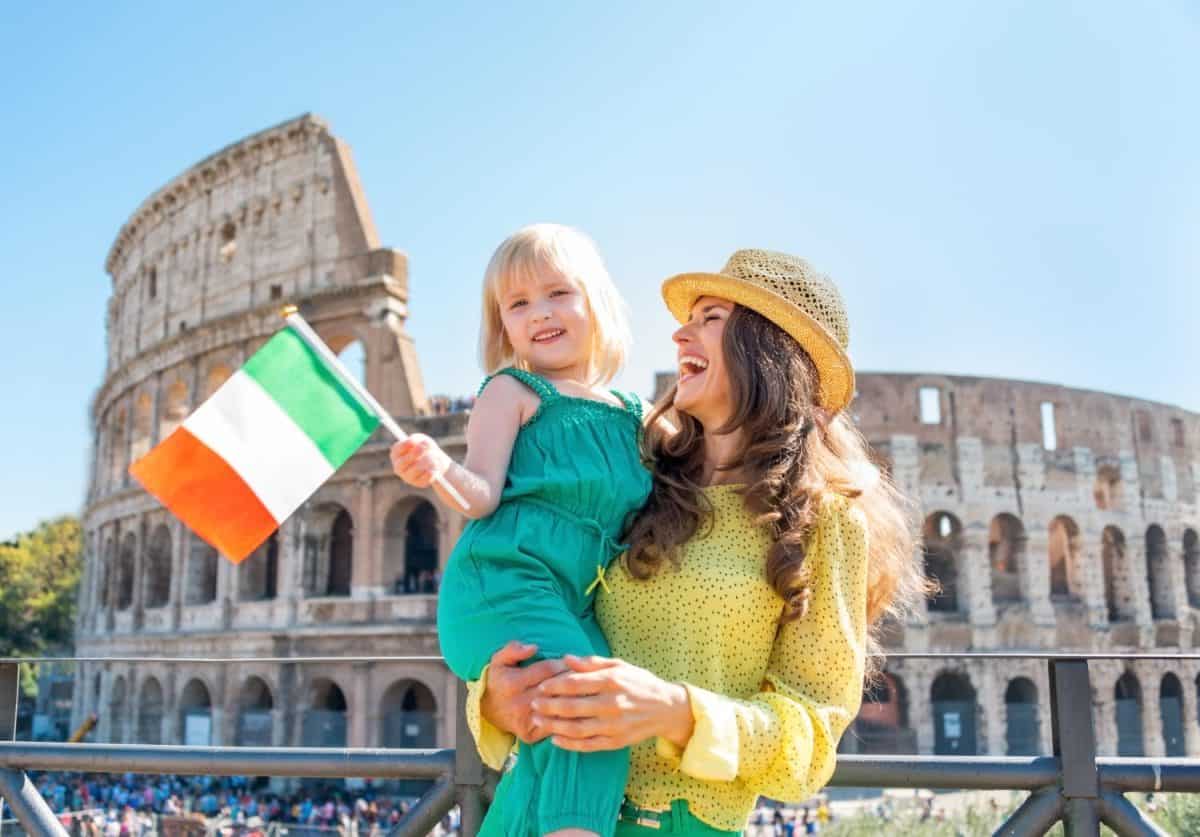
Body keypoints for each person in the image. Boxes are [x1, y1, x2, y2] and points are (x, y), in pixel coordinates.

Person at [470, 250, 924, 834]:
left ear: (768, 350)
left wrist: (676, 712)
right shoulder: (636, 481)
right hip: (531, 808)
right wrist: (495, 700)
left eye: (709, 318)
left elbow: (809, 744)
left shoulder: (827, 521)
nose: (681, 332)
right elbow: (534, 591)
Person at [391, 224, 653, 836]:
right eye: (518, 304)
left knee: (560, 737)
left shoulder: (636, 415)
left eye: (557, 292)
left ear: (598, 301)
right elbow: (481, 495)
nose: (540, 313)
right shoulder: (511, 391)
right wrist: (439, 470)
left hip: (570, 599)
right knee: (592, 708)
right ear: (501, 326)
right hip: (502, 583)